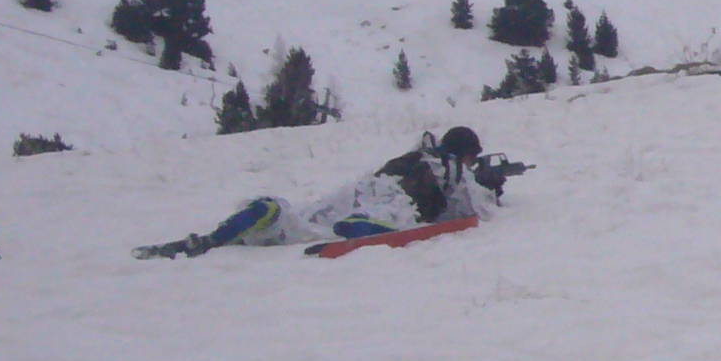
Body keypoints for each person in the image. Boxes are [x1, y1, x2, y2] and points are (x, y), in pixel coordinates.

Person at [137, 127, 508, 257]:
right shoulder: (453, 169)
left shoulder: (415, 155)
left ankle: (216, 238)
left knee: (297, 216)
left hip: (357, 191)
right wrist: (493, 187)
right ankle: (360, 225)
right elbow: (471, 212)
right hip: (390, 204)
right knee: (377, 222)